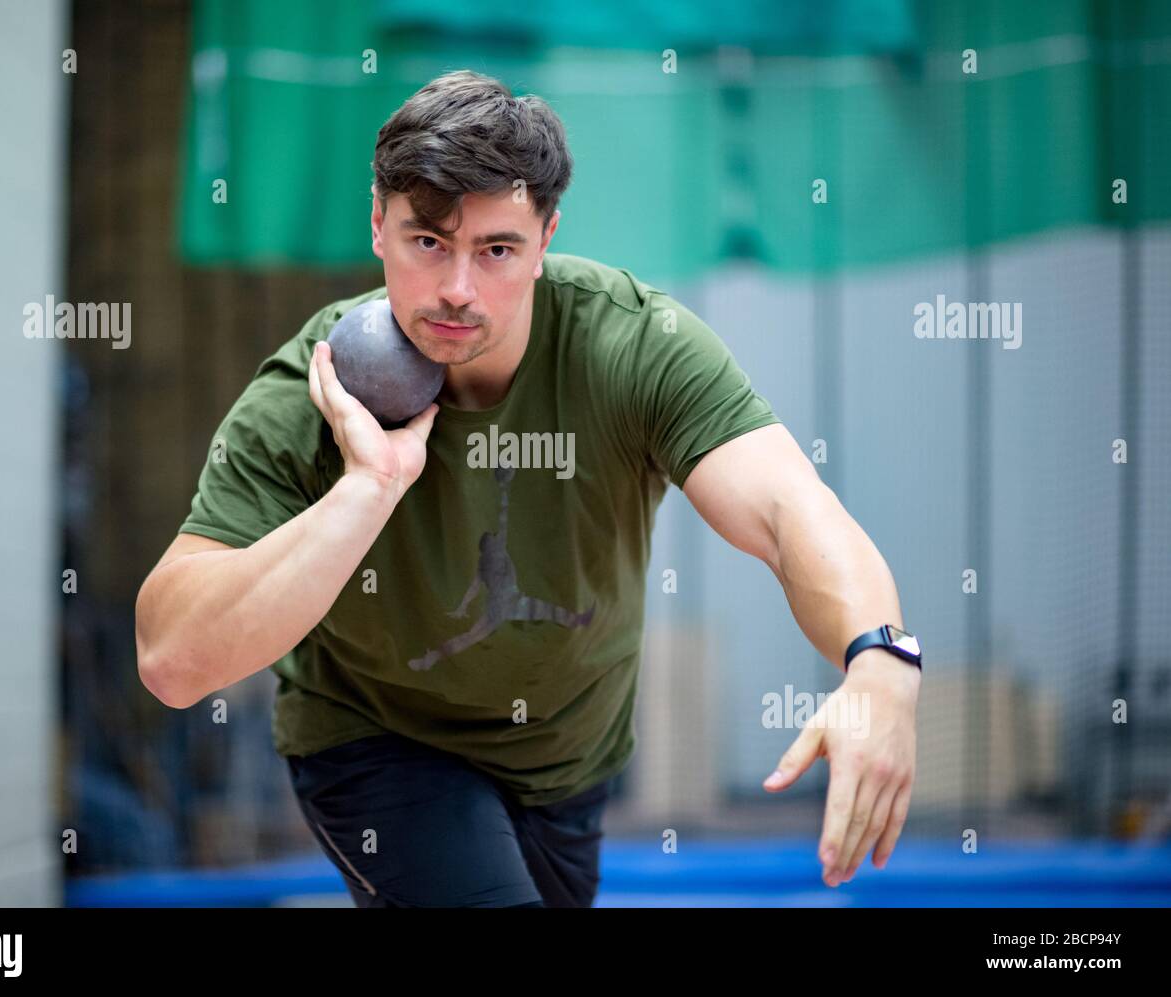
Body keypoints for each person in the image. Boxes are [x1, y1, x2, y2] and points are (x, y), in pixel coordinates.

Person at [135, 69, 922, 907]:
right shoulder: (310, 387)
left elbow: (786, 508)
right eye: (428, 241)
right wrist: (368, 486)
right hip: (377, 745)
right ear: (377, 222)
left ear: (547, 237)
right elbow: (171, 659)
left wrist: (880, 660)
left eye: (497, 250)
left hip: (566, 769)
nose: (457, 290)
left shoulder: (632, 346)